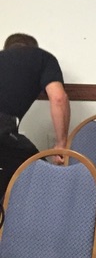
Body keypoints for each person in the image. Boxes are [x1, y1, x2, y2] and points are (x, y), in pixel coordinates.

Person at [0, 33, 70, 191]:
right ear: (33, 48)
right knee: (42, 174)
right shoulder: (43, 58)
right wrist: (61, 144)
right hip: (2, 127)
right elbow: (59, 98)